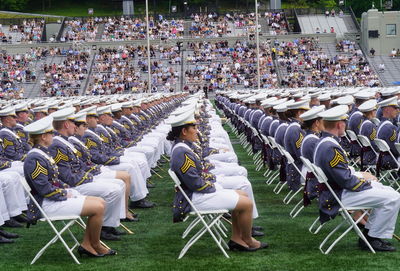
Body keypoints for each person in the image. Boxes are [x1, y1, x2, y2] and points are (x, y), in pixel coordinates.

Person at [168, 109, 268, 252]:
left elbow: (196, 178)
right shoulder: (181, 151)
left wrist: (214, 184)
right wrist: (215, 187)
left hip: (197, 193)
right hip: (195, 197)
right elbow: (195, 183)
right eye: (194, 128)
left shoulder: (183, 147)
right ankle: (248, 240)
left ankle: (237, 239)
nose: (197, 130)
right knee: (247, 204)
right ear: (184, 131)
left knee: (242, 194)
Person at [23, 115, 116, 257]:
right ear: (43, 137)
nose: (53, 136)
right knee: (97, 207)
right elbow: (44, 189)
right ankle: (96, 244)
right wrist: (64, 193)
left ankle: (87, 244)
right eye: (50, 134)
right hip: (46, 203)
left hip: (53, 199)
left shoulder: (42, 153)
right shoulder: (34, 158)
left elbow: (53, 179)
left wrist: (65, 188)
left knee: (100, 202)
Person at [314, 105, 400, 252]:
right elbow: (346, 180)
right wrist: (366, 181)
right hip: (338, 195)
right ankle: (371, 238)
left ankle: (371, 235)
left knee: (385, 190)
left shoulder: (324, 142)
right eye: (344, 122)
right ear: (339, 124)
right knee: (393, 197)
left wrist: (362, 176)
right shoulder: (330, 147)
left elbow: (340, 173)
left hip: (336, 190)